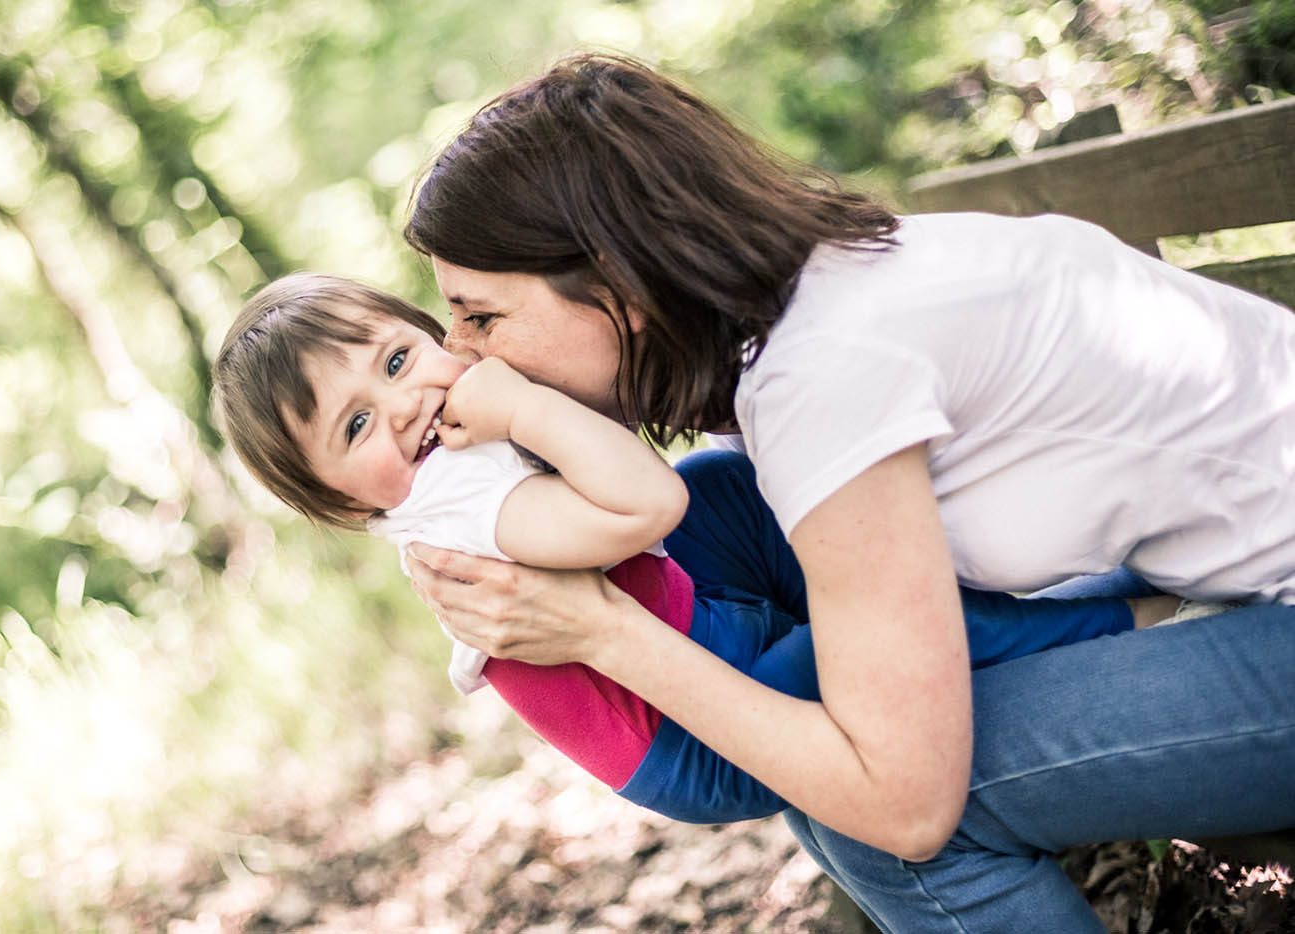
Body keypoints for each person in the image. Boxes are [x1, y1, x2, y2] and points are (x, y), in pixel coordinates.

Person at [399, 53, 1295, 932]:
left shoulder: (822, 376)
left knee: (878, 827)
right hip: (1243, 587)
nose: (465, 358)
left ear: (617, 287)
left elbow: (906, 806)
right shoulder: (811, 308)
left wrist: (602, 630)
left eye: (482, 316)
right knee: (816, 724)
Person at [211, 272, 1167, 826]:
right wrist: (524, 402)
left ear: (433, 334)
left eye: (396, 360)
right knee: (849, 648)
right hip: (695, 732)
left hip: (693, 622)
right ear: (341, 504)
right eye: (355, 427)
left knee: (734, 488)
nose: (406, 406)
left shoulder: (459, 445)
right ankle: (1127, 617)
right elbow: (645, 502)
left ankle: (927, 560)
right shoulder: (460, 507)